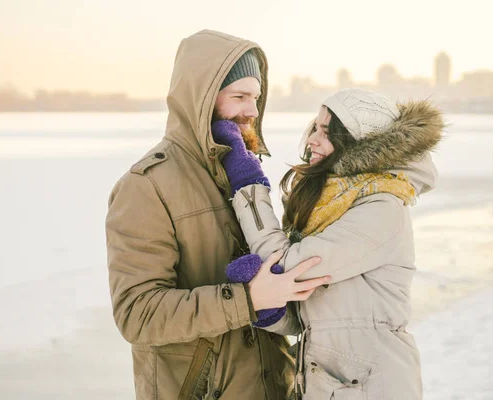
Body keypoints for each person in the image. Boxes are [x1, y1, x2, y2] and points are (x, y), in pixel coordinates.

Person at [105, 29, 329, 400]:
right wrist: (246, 299)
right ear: (201, 97)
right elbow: (137, 313)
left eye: (256, 98)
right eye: (239, 96)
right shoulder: (146, 185)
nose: (252, 112)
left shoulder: (243, 171)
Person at [211, 88, 444, 399]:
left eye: (327, 132)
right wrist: (273, 311)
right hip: (329, 385)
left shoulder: (382, 210)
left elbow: (280, 265)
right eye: (315, 128)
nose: (312, 140)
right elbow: (309, 320)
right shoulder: (330, 204)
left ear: (362, 143)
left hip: (372, 387)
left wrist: (249, 182)